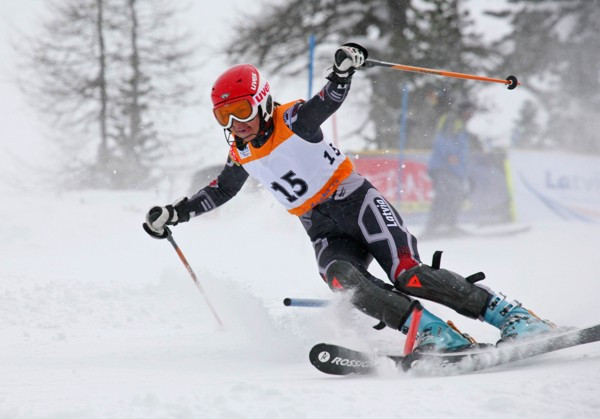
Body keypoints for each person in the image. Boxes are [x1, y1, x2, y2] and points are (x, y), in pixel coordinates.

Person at [143, 43, 556, 354]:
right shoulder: (241, 152)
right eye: (224, 116)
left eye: (241, 111)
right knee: (343, 280)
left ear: (262, 101)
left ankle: (512, 315)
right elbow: (222, 190)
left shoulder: (292, 119)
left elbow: (327, 102)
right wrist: (175, 212)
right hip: (321, 227)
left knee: (407, 273)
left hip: (357, 204)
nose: (236, 124)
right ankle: (432, 333)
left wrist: (342, 73)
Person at [423, 102, 474, 239]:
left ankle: (447, 225)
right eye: (469, 111)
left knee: (454, 194)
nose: (471, 115)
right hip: (443, 167)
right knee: (446, 194)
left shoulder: (461, 126)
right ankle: (435, 227)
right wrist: (449, 154)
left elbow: (462, 151)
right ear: (463, 111)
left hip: (452, 170)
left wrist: (462, 173)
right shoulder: (453, 121)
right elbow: (442, 139)